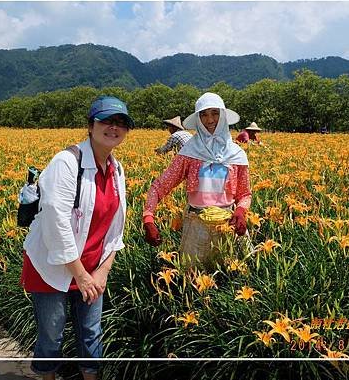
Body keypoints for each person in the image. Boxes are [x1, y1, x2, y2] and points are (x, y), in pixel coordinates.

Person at [21, 95, 133, 380]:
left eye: (121, 123)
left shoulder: (117, 169)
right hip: (51, 266)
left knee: (92, 332)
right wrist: (80, 275)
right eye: (106, 120)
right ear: (90, 125)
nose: (114, 128)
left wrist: (103, 271)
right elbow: (55, 221)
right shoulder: (67, 162)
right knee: (52, 333)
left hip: (93, 268)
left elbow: (116, 226)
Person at [142, 92, 252, 266]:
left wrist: (240, 212)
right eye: (204, 115)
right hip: (197, 226)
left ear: (223, 116)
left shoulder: (237, 154)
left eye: (215, 113)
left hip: (229, 224)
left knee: (233, 278)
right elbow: (160, 186)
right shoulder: (189, 152)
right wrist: (148, 217)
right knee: (193, 279)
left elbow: (245, 194)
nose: (210, 120)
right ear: (198, 119)